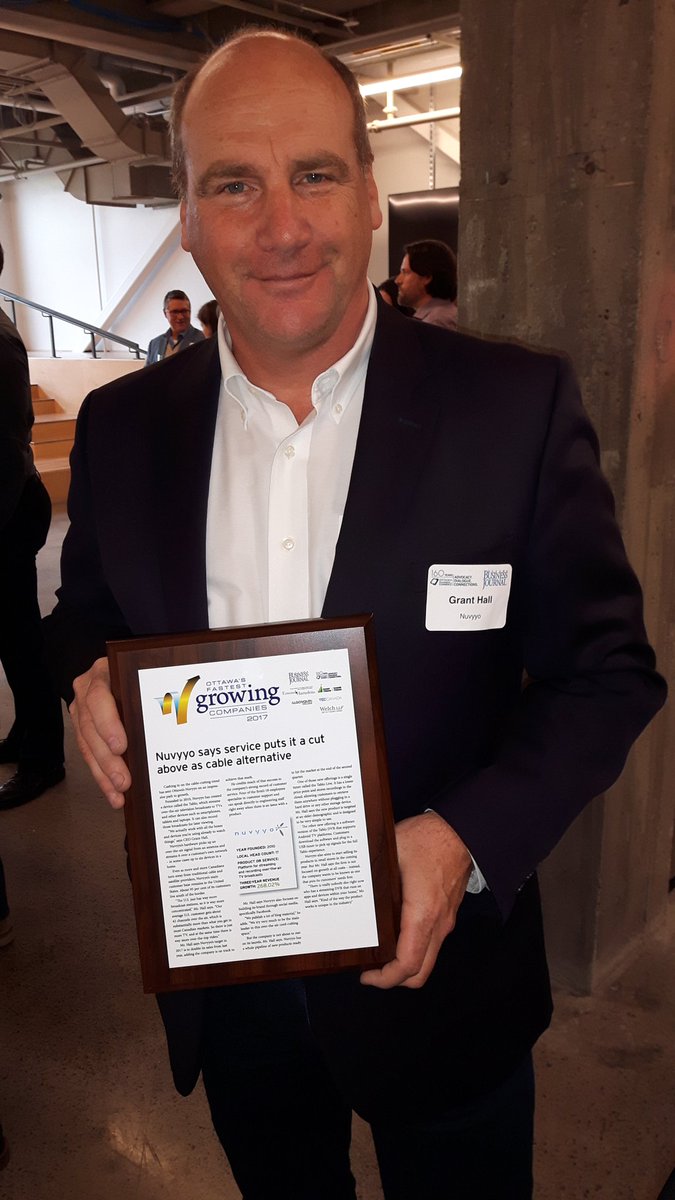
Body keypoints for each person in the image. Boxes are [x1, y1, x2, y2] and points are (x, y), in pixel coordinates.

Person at [44, 29, 666, 1200]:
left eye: (317, 173)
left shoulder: (512, 409)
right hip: (229, 972)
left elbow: (608, 674)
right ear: (188, 216)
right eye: (237, 183)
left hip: (444, 977)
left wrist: (463, 836)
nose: (284, 226)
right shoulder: (126, 429)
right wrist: (86, 674)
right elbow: (85, 611)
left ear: (371, 193)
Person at [0, 246, 64, 811]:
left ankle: (44, 758)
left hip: (8, 506)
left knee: (20, 641)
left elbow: (2, 445)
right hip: (13, 499)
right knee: (14, 638)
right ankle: (27, 735)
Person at [395, 238, 459, 330]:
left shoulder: (437, 321)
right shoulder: (432, 318)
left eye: (405, 272)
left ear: (427, 277)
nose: (397, 280)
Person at [144, 290, 204, 364]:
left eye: (184, 311)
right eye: (175, 312)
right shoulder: (154, 344)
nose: (180, 317)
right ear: (165, 313)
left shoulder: (203, 340)